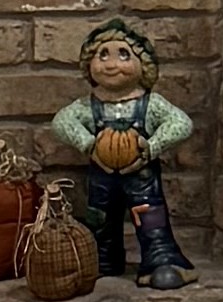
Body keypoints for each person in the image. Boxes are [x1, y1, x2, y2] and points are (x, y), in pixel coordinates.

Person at [51, 20, 195, 287]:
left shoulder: (150, 104)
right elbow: (61, 121)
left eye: (124, 55)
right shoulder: (88, 106)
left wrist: (152, 146)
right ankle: (102, 258)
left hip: (141, 178)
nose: (111, 64)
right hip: (102, 178)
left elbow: (181, 123)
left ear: (143, 65)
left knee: (150, 219)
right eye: (103, 55)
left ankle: (161, 258)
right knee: (100, 218)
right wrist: (89, 144)